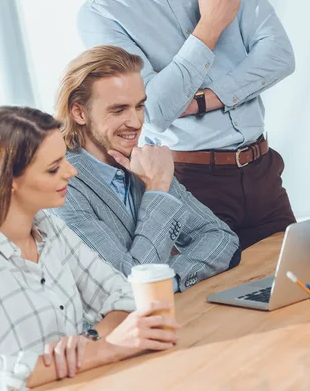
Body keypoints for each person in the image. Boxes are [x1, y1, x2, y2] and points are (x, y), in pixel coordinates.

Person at [77, 0, 296, 249]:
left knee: (308, 292)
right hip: (192, 185)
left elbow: (280, 55)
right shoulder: (101, 16)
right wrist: (209, 28)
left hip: (262, 171)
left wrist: (202, 101)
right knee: (216, 308)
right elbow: (155, 108)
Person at [0, 106, 180, 389]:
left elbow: (123, 294)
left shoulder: (49, 228)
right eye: (54, 167)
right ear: (9, 181)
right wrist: (103, 350)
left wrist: (86, 343)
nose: (71, 171)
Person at [52, 45, 240, 292]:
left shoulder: (144, 162)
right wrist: (158, 189)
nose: (136, 122)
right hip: (110, 329)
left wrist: (168, 280)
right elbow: (125, 285)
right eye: (118, 110)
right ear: (79, 112)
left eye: (139, 106)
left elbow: (222, 239)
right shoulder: (62, 188)